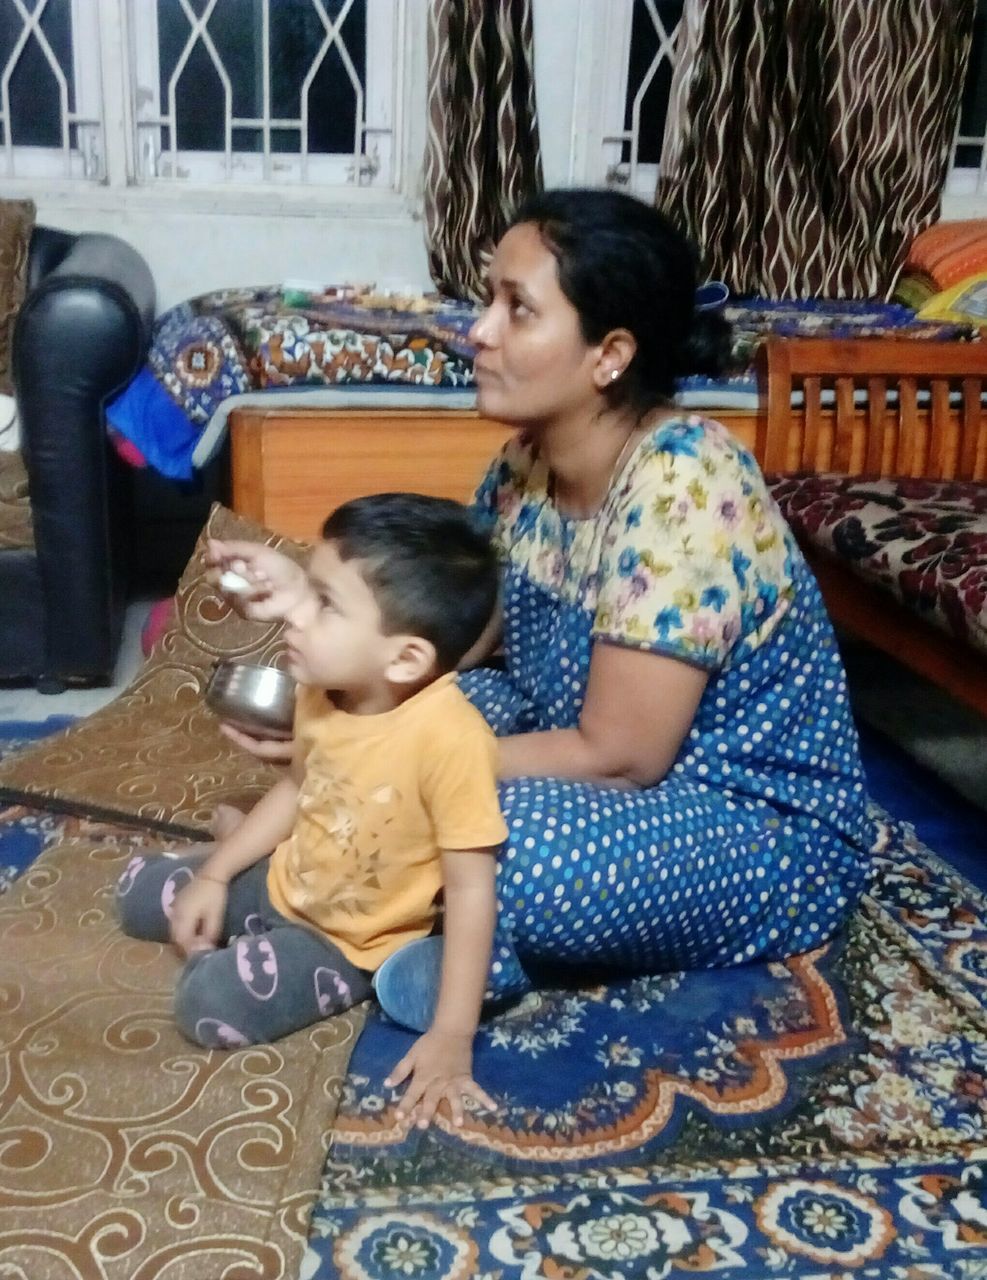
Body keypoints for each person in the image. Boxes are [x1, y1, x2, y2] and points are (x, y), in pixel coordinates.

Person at [207, 187, 875, 1018]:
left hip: (741, 815)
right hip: (569, 728)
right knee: (409, 700)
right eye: (490, 300)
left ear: (608, 355)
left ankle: (433, 940)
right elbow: (453, 636)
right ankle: (371, 890)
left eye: (517, 309)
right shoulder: (525, 465)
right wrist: (332, 681)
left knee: (508, 840)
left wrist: (370, 772)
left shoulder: (683, 484)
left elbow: (621, 756)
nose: (478, 331)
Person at [117, 493, 507, 1129]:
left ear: (406, 657)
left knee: (207, 1003)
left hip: (348, 939)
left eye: (323, 605)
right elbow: (299, 790)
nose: (296, 617)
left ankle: (281, 960)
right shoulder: (328, 693)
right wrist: (218, 873)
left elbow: (470, 891)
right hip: (286, 881)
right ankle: (240, 905)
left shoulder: (452, 740)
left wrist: (452, 1034)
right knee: (137, 892)